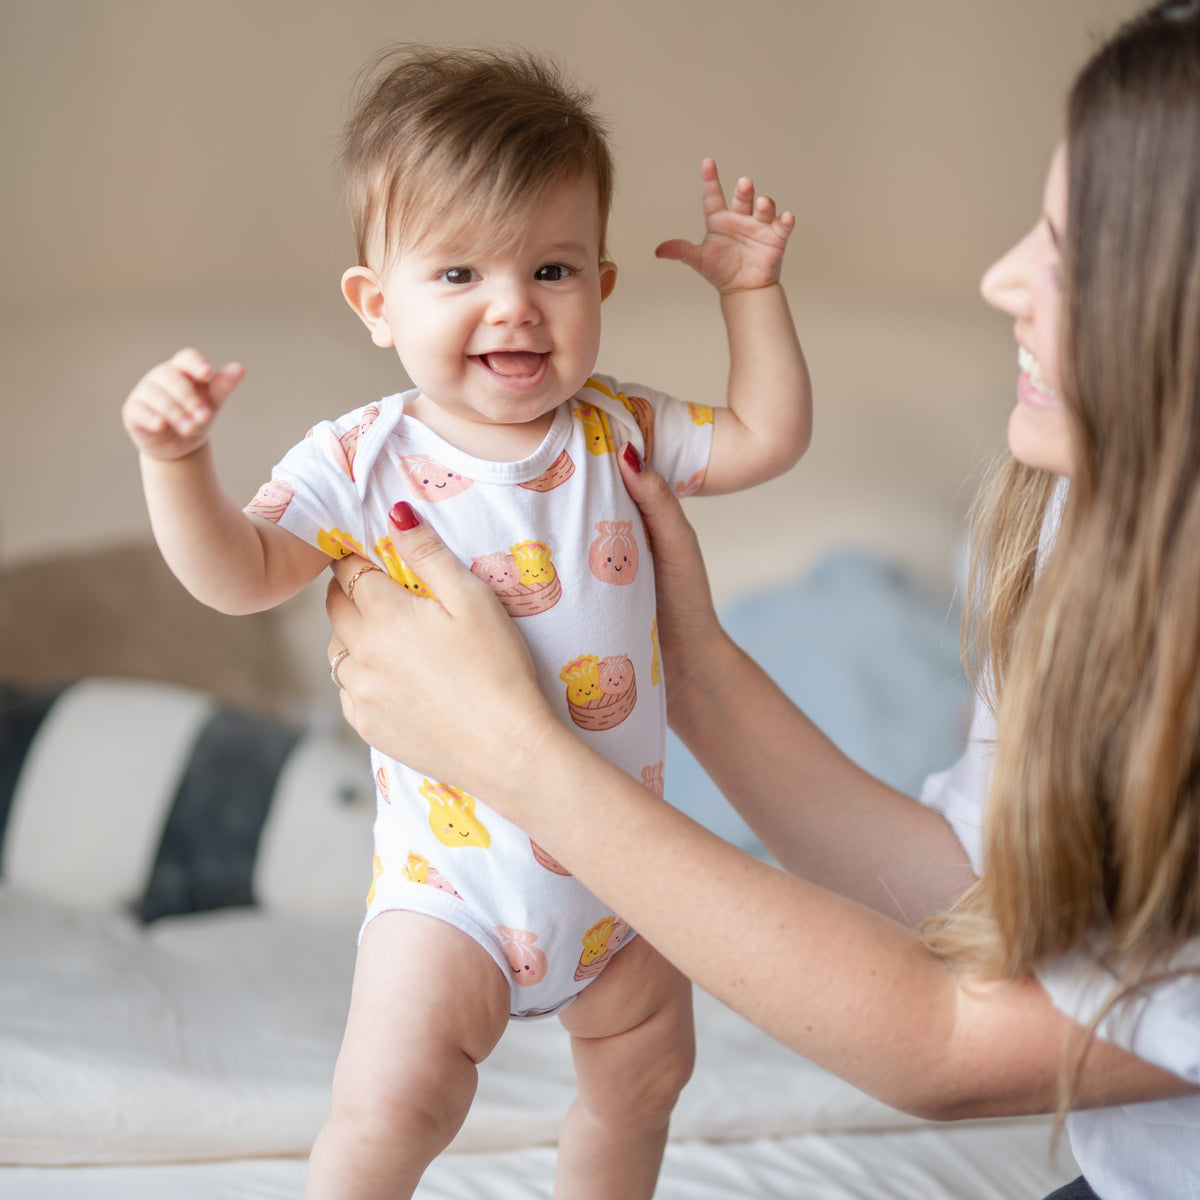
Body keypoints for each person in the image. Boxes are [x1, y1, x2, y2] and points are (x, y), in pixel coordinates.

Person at [322, 5, 1200, 1198]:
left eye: (1075, 247)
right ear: (376, 301)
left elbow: (951, 1042)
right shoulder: (1077, 514)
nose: (1000, 280)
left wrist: (512, 754)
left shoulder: (617, 421)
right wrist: (690, 662)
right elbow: (983, 893)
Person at [121, 45, 811, 1200]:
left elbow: (764, 437)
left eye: (550, 268)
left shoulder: (618, 426)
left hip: (624, 882)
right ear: (375, 304)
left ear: (599, 283)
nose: (513, 306)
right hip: (451, 893)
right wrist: (177, 462)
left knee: (645, 1082)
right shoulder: (358, 456)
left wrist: (752, 296)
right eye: (457, 274)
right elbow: (238, 575)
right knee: (394, 1107)